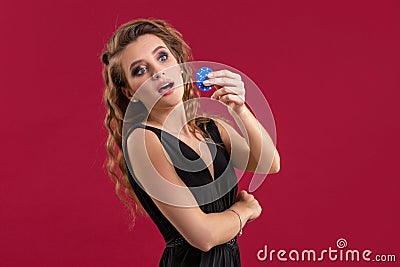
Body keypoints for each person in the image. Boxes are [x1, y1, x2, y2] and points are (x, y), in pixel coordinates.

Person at [101, 18, 280, 267]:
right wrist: (245, 211)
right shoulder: (143, 140)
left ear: (179, 63)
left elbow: (269, 163)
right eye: (140, 70)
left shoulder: (209, 127)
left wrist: (239, 107)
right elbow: (203, 237)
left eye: (162, 57)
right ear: (131, 93)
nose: (158, 73)